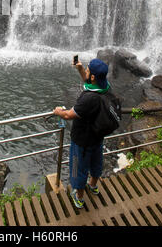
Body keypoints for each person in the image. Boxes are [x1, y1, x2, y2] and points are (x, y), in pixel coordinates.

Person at [53, 57, 110, 209]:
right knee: (96, 162)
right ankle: (93, 185)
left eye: (87, 70)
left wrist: (58, 111)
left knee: (77, 168)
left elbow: (68, 115)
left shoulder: (89, 99)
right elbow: (90, 83)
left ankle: (79, 197)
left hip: (82, 141)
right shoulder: (105, 88)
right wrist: (80, 69)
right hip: (97, 138)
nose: (86, 70)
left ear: (92, 76)